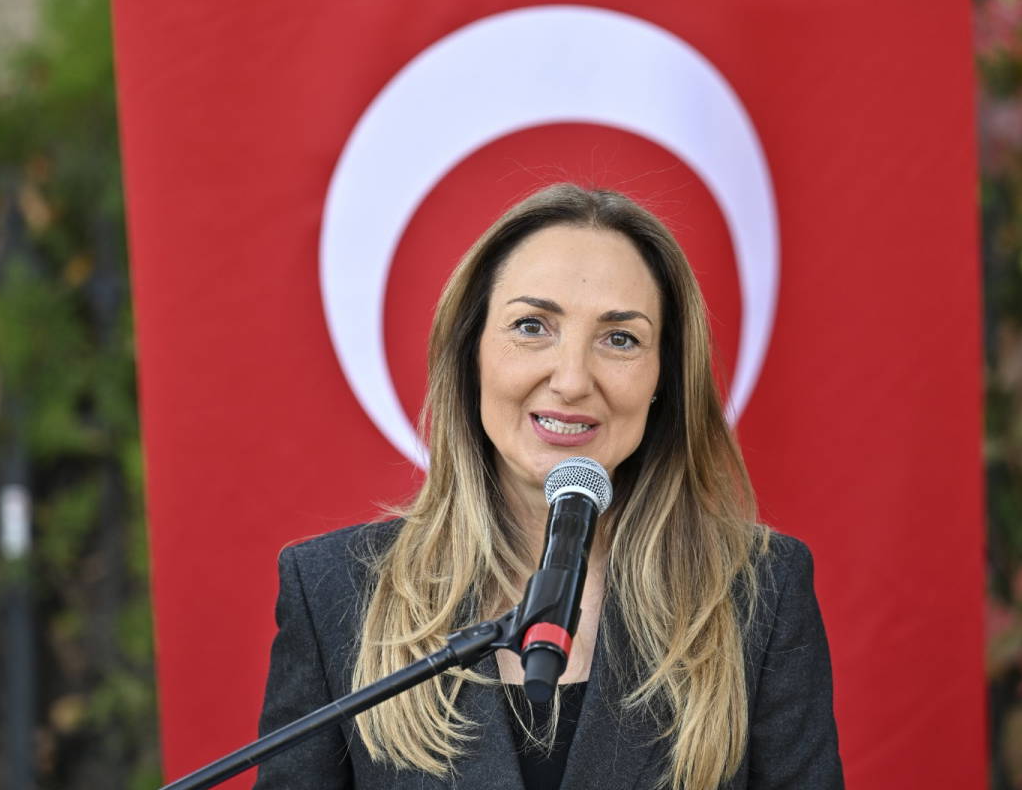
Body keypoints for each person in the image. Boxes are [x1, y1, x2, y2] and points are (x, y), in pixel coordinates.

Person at [254, 183, 843, 789]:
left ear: (663, 378)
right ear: (471, 353)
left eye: (620, 338)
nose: (571, 380)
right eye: (532, 326)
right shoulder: (334, 591)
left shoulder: (758, 591)